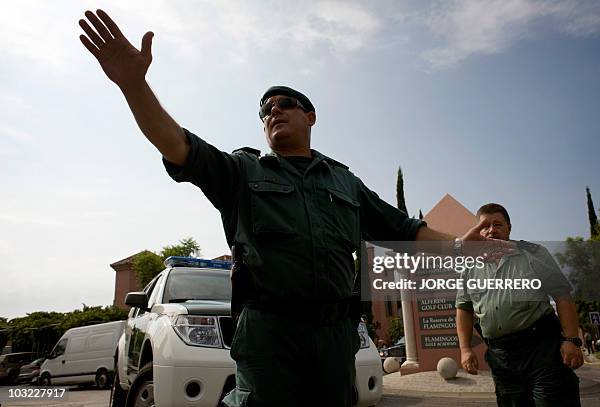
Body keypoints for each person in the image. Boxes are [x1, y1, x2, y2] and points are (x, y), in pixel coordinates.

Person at [78, 9, 499, 406]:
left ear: (310, 116)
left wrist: (461, 246)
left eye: (283, 104)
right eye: (265, 111)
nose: (272, 111)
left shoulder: (344, 182)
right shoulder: (242, 171)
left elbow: (405, 231)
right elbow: (177, 145)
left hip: (335, 337)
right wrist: (134, 84)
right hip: (269, 334)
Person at [456, 203, 583, 407]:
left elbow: (561, 294)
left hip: (542, 350)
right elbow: (463, 308)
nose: (491, 230)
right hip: (502, 358)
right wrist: (465, 349)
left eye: (497, 224)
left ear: (509, 228)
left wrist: (571, 339)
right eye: (485, 226)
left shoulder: (532, 253)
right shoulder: (470, 265)